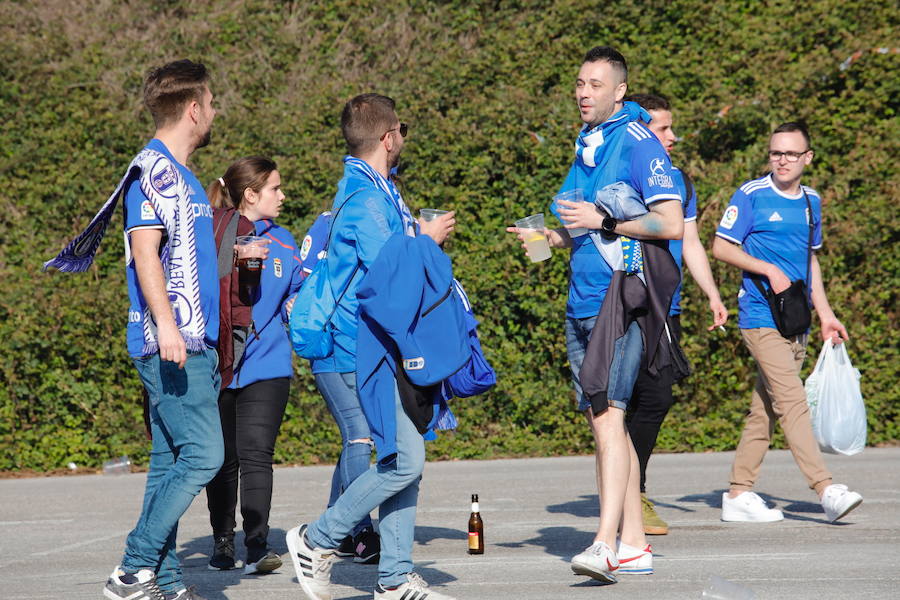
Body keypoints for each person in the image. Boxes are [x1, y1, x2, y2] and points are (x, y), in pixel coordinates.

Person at [509, 46, 684, 583]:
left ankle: (604, 543)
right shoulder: (587, 144)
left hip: (619, 301)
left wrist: (605, 221)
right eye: (579, 83)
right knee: (609, 428)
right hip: (581, 301)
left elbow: (670, 223)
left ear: (619, 92)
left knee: (610, 419)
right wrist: (547, 238)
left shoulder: (639, 144)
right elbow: (578, 225)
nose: (583, 92)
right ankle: (633, 544)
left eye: (594, 84)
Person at [285, 93, 458, 600]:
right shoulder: (365, 202)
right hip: (354, 348)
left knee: (407, 458)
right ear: (388, 138)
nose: (404, 136)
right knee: (404, 460)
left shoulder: (379, 192)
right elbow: (392, 278)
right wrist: (426, 240)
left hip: (377, 347)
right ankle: (317, 539)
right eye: (401, 129)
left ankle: (396, 577)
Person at [108, 60, 222, 600]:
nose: (215, 111)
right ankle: (134, 569)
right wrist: (168, 327)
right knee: (205, 455)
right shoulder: (153, 172)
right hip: (173, 345)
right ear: (195, 108)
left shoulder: (182, 175)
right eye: (212, 101)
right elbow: (145, 253)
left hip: (189, 342)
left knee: (169, 461)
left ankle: (166, 580)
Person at [712, 122, 862, 524]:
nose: (782, 160)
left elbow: (810, 260)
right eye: (776, 152)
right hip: (760, 317)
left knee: (765, 410)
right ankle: (825, 488)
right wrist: (768, 270)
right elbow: (721, 246)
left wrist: (827, 315)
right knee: (792, 402)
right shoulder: (751, 195)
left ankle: (738, 493)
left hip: (797, 320)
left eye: (791, 154)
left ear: (807, 158)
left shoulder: (811, 201)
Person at [622, 94, 728, 535]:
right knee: (635, 399)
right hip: (628, 302)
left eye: (671, 128)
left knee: (654, 398)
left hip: (668, 307)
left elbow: (693, 242)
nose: (671, 137)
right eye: (662, 129)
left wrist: (712, 293)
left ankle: (631, 489)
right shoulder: (623, 174)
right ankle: (632, 493)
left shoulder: (680, 181)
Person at [203, 157, 304, 574]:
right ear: (251, 194)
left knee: (257, 454)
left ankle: (258, 545)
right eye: (275, 189)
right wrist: (232, 259)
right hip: (220, 365)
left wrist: (299, 305)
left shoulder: (284, 241)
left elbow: (300, 293)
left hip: (269, 366)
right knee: (223, 459)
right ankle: (222, 542)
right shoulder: (212, 234)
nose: (282, 196)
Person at [300, 209, 381, 564]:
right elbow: (304, 277)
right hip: (333, 352)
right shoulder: (329, 222)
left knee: (355, 440)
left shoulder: (384, 215)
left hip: (365, 352)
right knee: (359, 436)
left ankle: (336, 527)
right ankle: (361, 529)